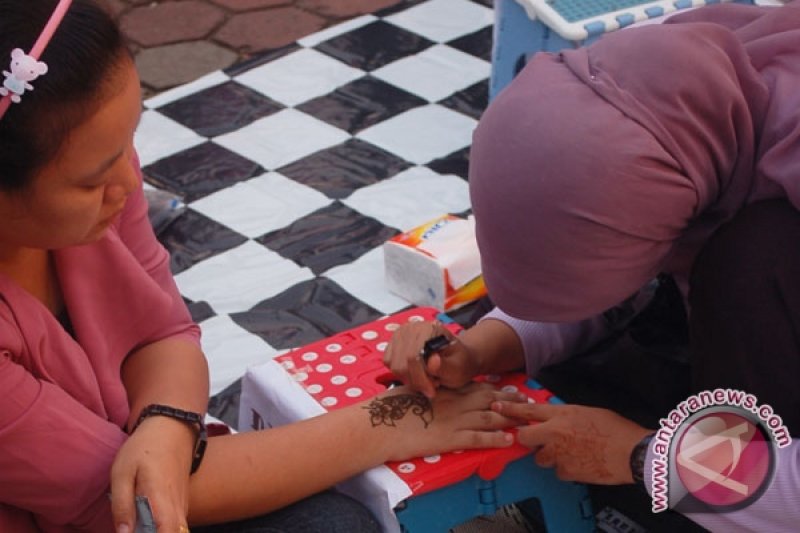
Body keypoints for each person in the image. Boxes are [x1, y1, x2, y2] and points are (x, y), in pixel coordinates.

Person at [0, 1, 529, 532]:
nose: (131, 183)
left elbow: (163, 333)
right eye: (91, 181)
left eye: (130, 141)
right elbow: (131, 501)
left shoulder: (102, 186)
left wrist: (167, 423)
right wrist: (392, 420)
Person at [385, 1, 800, 531]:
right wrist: (481, 346)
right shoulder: (677, 93)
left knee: (747, 264)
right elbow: (617, 273)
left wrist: (644, 459)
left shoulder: (761, 245)